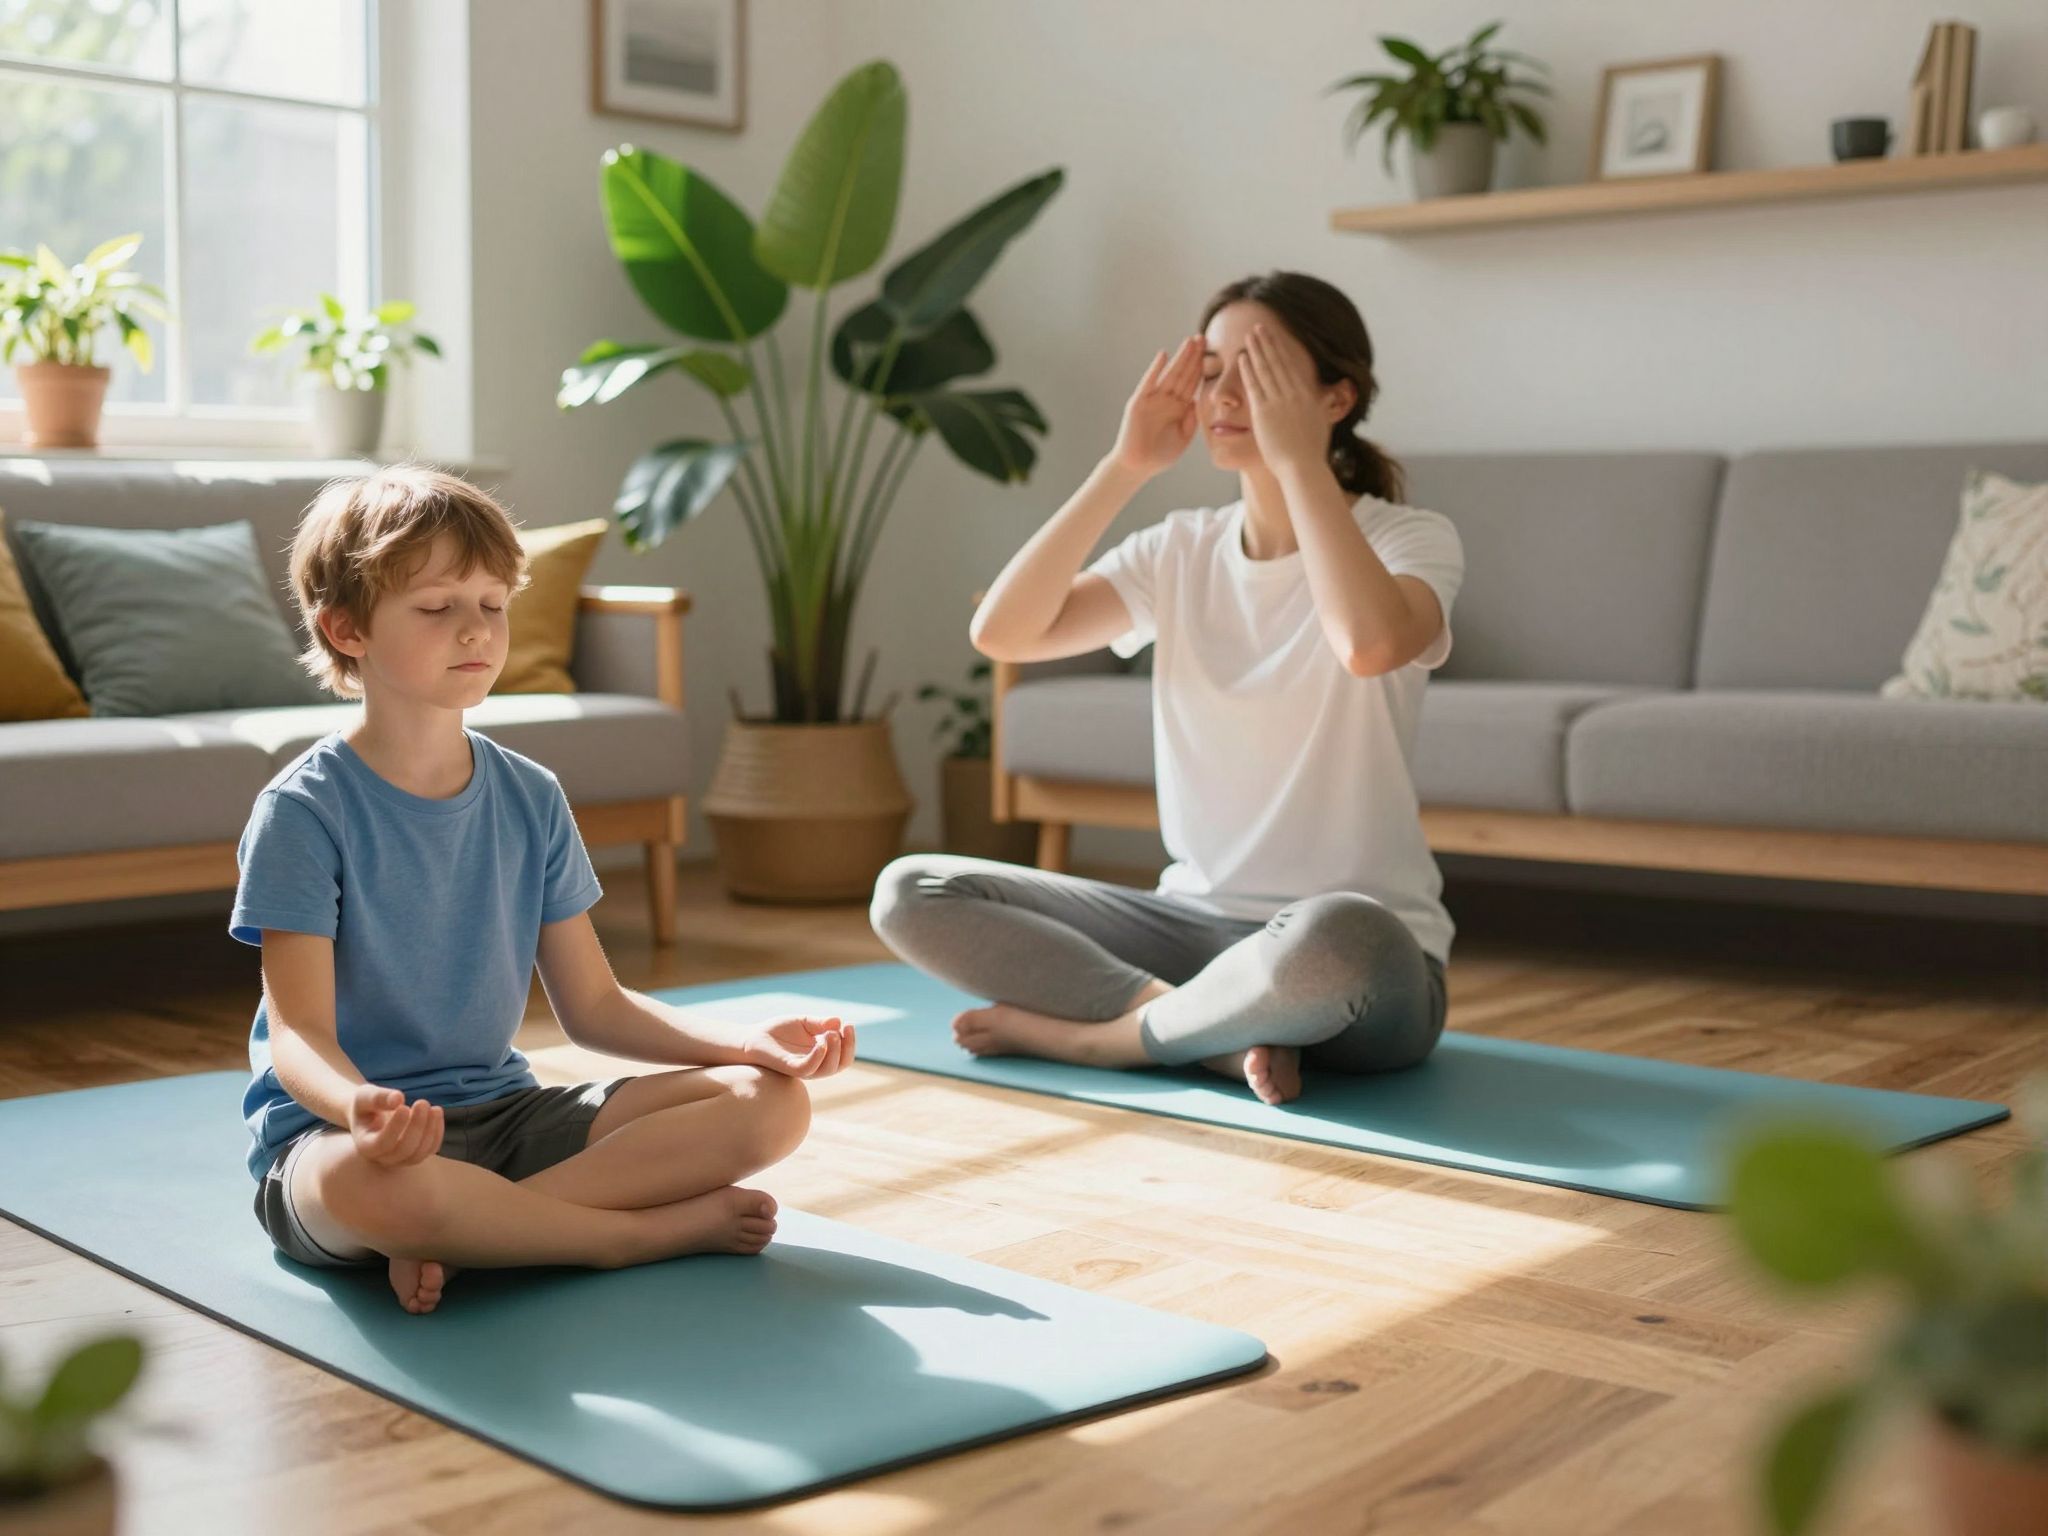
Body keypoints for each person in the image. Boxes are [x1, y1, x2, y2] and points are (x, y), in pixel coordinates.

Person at [236, 466, 855, 1314]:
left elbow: (595, 1006)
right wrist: (362, 1109)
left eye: (492, 605)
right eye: (436, 607)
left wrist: (746, 1043)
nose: (474, 630)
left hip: (509, 1118)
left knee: (770, 1107)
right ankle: (625, 1237)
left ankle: (483, 1237)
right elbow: (297, 1037)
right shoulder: (303, 811)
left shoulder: (532, 795)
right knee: (383, 1190)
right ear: (345, 628)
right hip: (345, 1141)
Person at [871, 271, 1463, 1108]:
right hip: (1189, 933)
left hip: (1355, 965)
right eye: (1213, 368)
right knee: (912, 892)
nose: (1224, 394)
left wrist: (1297, 465)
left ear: (1337, 397)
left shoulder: (1409, 539)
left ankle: (1109, 1040)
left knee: (1339, 936)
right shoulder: (1178, 549)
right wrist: (1124, 466)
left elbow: (1367, 644)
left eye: (1256, 373)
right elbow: (1002, 634)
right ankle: (1199, 1032)